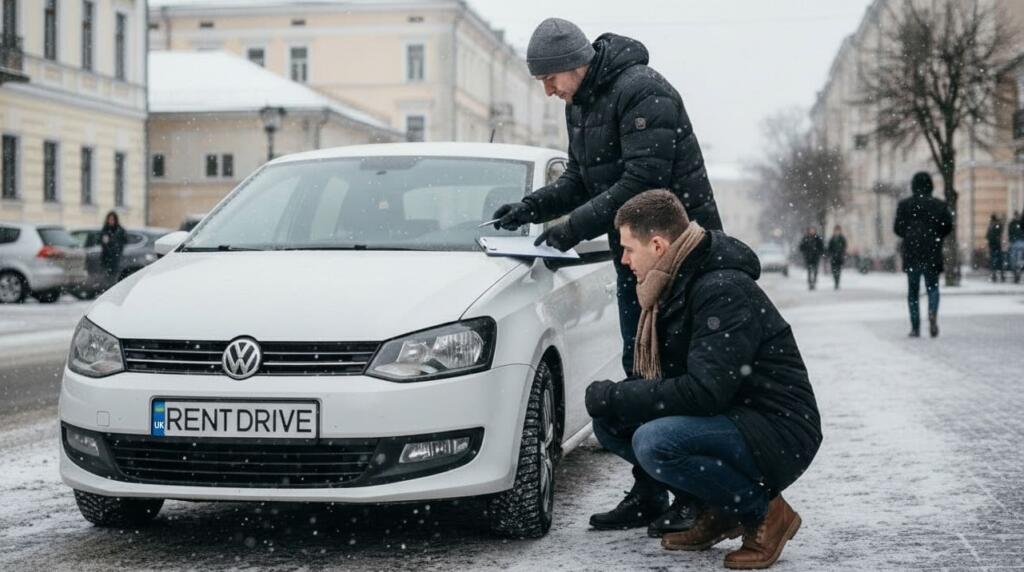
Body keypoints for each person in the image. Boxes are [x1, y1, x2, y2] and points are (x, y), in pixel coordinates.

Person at [490, 18, 723, 534]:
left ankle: (695, 495)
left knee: (677, 376)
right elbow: (580, 177)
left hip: (680, 257)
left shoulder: (643, 91)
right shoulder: (582, 104)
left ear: (574, 63)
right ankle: (649, 489)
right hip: (635, 257)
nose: (547, 91)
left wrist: (571, 228)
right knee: (640, 371)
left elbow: (644, 183)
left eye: (549, 78)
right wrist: (531, 208)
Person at [585, 190, 821, 569]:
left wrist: (619, 395)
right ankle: (719, 507)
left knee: (654, 442)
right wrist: (618, 402)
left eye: (629, 248)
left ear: (658, 245)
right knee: (612, 422)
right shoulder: (673, 280)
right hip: (736, 414)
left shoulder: (720, 288)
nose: (624, 259)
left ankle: (764, 513)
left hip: (779, 428)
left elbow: (705, 392)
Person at [894, 172, 953, 338]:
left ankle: (915, 327)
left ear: (913, 185)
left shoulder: (905, 205)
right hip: (932, 251)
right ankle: (932, 313)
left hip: (912, 251)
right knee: (933, 287)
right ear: (930, 185)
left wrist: (909, 233)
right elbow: (948, 225)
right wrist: (936, 235)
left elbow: (897, 228)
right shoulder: (939, 205)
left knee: (913, 291)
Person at [99, 211, 127, 291]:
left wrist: (115, 247)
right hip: (106, 258)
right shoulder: (105, 230)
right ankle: (108, 292)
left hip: (116, 258)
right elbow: (102, 243)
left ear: (115, 220)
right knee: (106, 280)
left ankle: (113, 292)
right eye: (109, 219)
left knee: (114, 279)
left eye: (112, 219)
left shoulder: (120, 231)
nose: (111, 221)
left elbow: (123, 243)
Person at [826, 225, 848, 290]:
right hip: (833, 257)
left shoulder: (842, 238)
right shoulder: (832, 238)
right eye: (836, 230)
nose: (837, 232)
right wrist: (829, 254)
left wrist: (842, 253)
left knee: (839, 270)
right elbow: (829, 248)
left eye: (838, 230)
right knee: (834, 270)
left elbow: (845, 246)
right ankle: (835, 282)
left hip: (840, 257)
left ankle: (837, 283)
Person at [987, 214, 1006, 283]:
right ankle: (999, 275)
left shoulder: (993, 226)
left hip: (995, 246)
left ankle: (998, 275)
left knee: (995, 262)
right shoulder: (995, 226)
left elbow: (988, 236)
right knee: (998, 262)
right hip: (996, 246)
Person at [1008, 211, 1024, 284]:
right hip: (1016, 243)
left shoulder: (1018, 223)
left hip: (1019, 243)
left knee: (1017, 261)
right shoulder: (1013, 223)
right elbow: (1010, 233)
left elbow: (1010, 233)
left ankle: (1017, 274)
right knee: (1015, 261)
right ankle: (1016, 274)